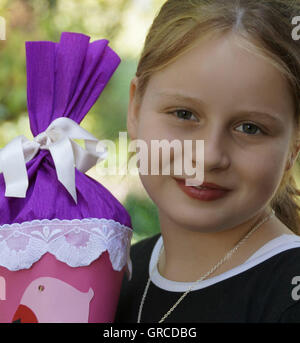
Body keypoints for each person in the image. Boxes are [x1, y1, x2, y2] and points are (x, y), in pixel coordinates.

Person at [115, 0, 300, 323]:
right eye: (184, 114)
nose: (209, 156)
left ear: (293, 146)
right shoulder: (116, 277)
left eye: (250, 128)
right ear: (135, 109)